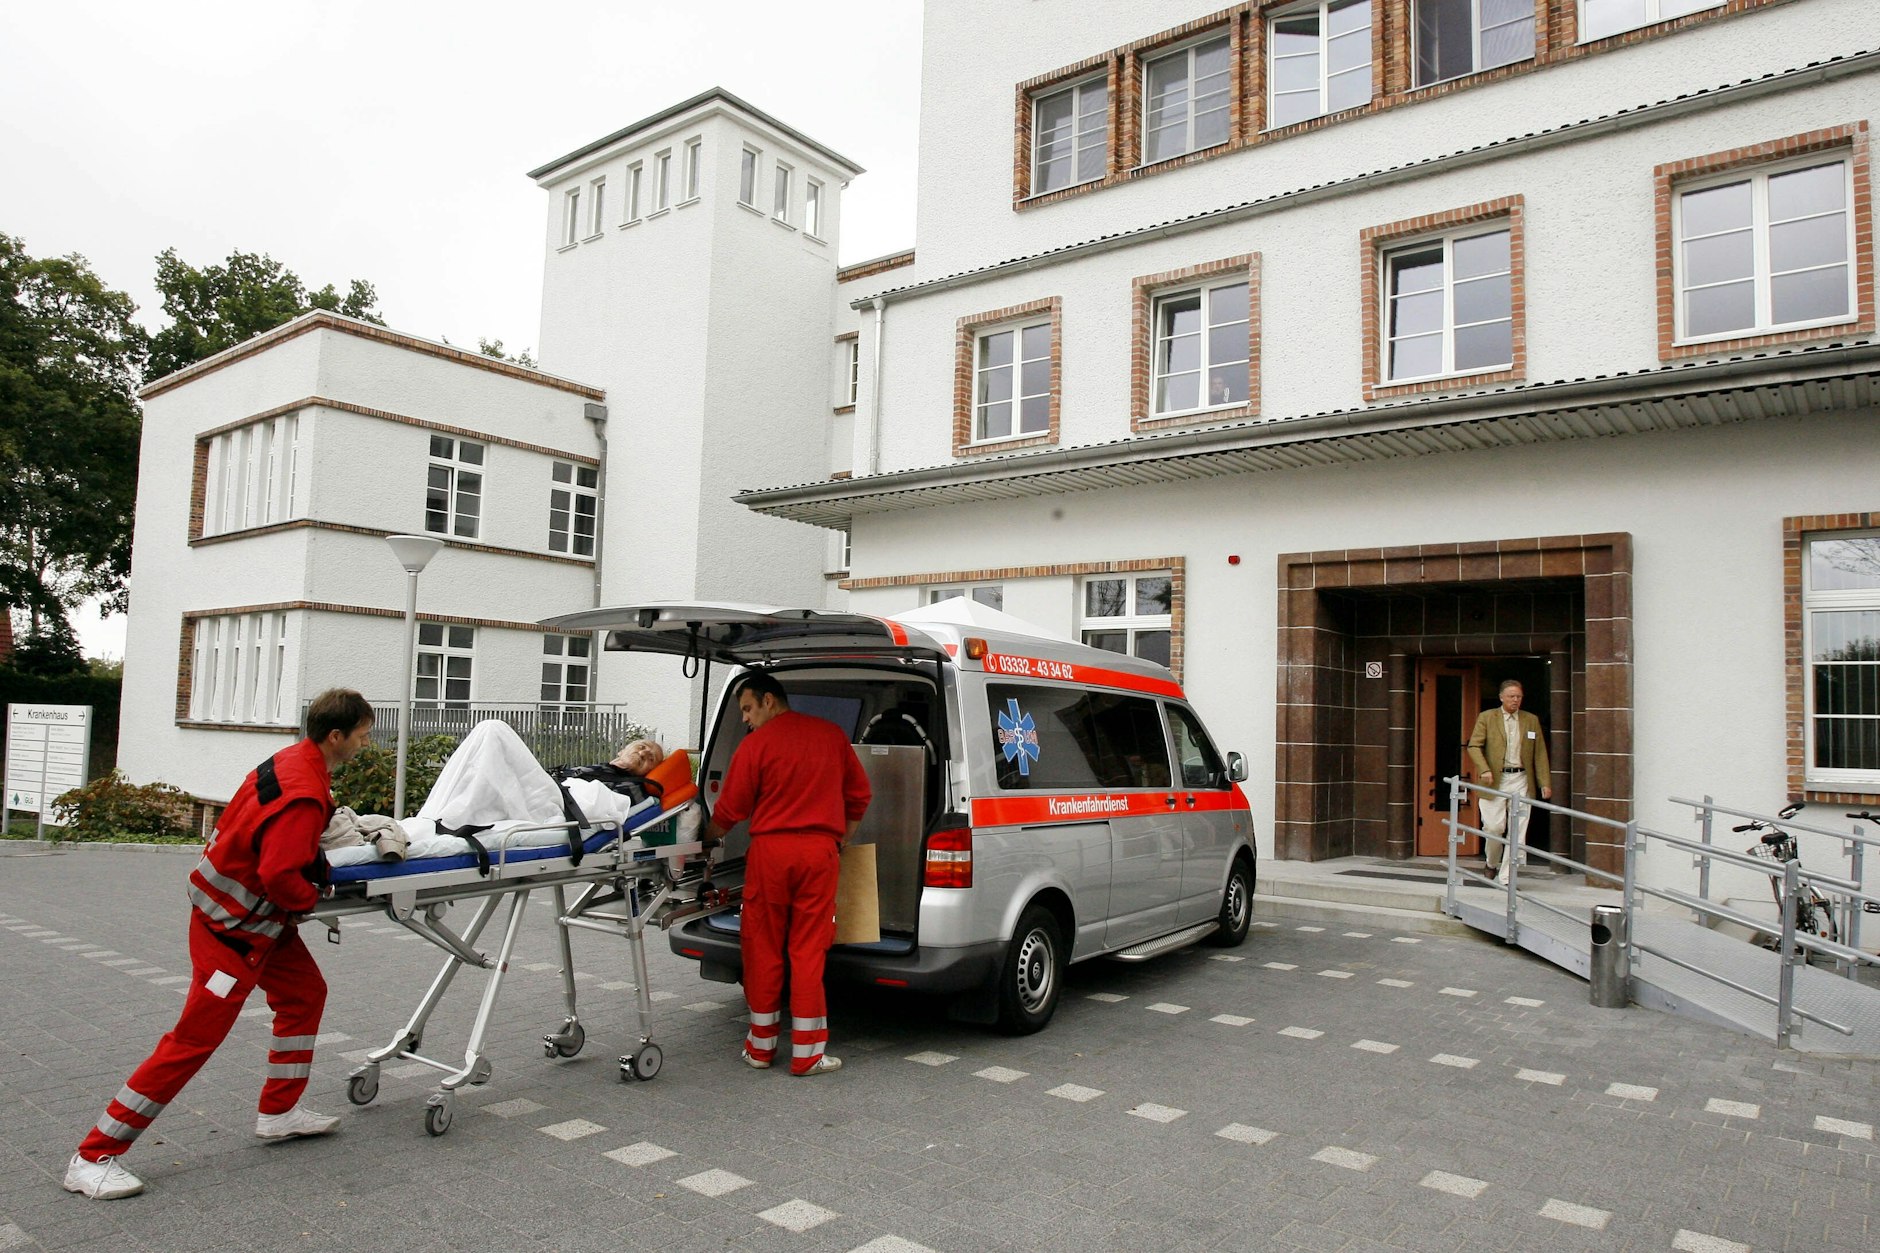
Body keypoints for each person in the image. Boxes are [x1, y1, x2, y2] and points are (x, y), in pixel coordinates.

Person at [63, 689, 375, 1201]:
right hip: (235, 932)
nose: (366, 743)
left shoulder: (290, 762)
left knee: (304, 995)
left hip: (245, 920)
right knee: (192, 1040)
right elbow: (278, 873)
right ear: (336, 735)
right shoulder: (303, 791)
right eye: (362, 734)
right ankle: (95, 1154)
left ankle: (279, 1112)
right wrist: (312, 899)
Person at [706, 672, 870, 1077]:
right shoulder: (832, 736)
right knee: (809, 950)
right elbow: (860, 796)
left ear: (768, 700)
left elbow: (729, 812)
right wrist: (839, 842)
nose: (744, 718)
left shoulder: (755, 746)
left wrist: (703, 841)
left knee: (762, 947)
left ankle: (760, 1050)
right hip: (819, 854)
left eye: (747, 708)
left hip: (770, 856)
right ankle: (809, 1055)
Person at [1466, 679, 1553, 883]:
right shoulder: (1487, 717)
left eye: (1519, 697)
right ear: (1501, 697)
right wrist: (1484, 769)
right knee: (1494, 828)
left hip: (1521, 779)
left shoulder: (1531, 720)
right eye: (1511, 696)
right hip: (1494, 779)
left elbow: (1539, 753)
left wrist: (1544, 782)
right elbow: (1474, 746)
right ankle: (1491, 862)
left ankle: (1506, 878)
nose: (1515, 700)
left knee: (1518, 830)